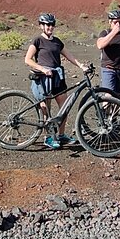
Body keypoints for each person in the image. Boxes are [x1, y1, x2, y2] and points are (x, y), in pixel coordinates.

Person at [25, 13, 86, 149]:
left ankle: (61, 135)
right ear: (41, 26)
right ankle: (48, 138)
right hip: (43, 78)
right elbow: (28, 59)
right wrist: (42, 69)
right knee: (46, 110)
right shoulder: (37, 41)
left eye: (52, 25)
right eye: (47, 25)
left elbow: (69, 56)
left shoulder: (57, 41)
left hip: (57, 78)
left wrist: (82, 66)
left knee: (64, 108)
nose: (50, 27)